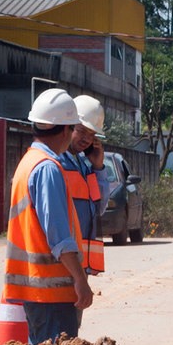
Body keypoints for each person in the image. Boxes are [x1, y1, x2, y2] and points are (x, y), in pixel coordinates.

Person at [2, 88, 94, 343]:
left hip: (37, 290)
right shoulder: (47, 168)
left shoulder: (28, 162)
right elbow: (59, 236)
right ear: (65, 130)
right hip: (52, 291)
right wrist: (80, 279)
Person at [59, 95, 111, 276]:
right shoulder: (56, 163)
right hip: (63, 262)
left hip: (79, 265)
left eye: (92, 135)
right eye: (81, 131)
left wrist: (98, 168)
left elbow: (99, 208)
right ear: (68, 126)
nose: (87, 139)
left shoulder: (84, 165)